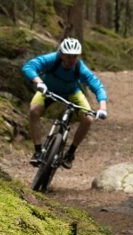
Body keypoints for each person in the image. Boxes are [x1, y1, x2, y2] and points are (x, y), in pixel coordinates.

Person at [21, 38, 109, 168]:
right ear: (61, 54)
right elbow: (29, 67)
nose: (71, 60)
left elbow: (97, 86)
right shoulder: (52, 59)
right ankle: (38, 151)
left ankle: (70, 153)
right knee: (34, 111)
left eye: (74, 57)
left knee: (88, 119)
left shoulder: (80, 68)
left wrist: (103, 108)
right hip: (48, 89)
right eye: (68, 56)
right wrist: (39, 82)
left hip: (72, 92)